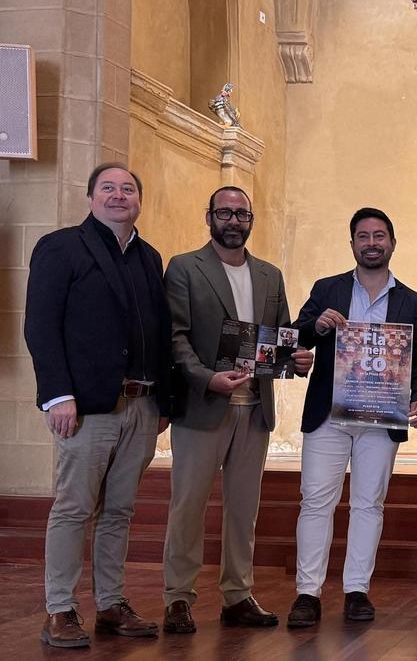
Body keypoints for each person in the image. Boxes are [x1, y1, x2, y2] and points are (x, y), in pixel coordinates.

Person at [25, 163, 172, 648]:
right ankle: (60, 610)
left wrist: (164, 401)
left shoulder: (149, 257)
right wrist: (58, 395)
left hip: (142, 405)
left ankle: (111, 604)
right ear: (90, 198)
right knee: (74, 508)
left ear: (139, 201)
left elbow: (159, 333)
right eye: (108, 188)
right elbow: (41, 325)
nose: (118, 195)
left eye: (128, 189)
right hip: (87, 406)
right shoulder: (62, 247)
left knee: (119, 512)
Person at [161, 186, 314, 633]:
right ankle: (178, 597)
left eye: (241, 214)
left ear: (251, 220)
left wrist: (297, 358)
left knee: (244, 509)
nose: (233, 221)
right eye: (224, 213)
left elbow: (280, 337)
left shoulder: (270, 275)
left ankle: (238, 595)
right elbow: (175, 336)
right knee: (188, 506)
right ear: (209, 216)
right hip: (203, 403)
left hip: (255, 407)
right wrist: (206, 377)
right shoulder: (185, 267)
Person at [285, 208, 417, 627]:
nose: (372, 243)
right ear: (352, 243)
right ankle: (307, 594)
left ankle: (356, 591)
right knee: (316, 502)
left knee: (369, 504)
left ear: (392, 243)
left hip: (382, 417)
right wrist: (317, 326)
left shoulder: (411, 300)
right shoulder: (327, 288)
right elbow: (294, 337)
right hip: (328, 416)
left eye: (379, 235)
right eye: (363, 236)